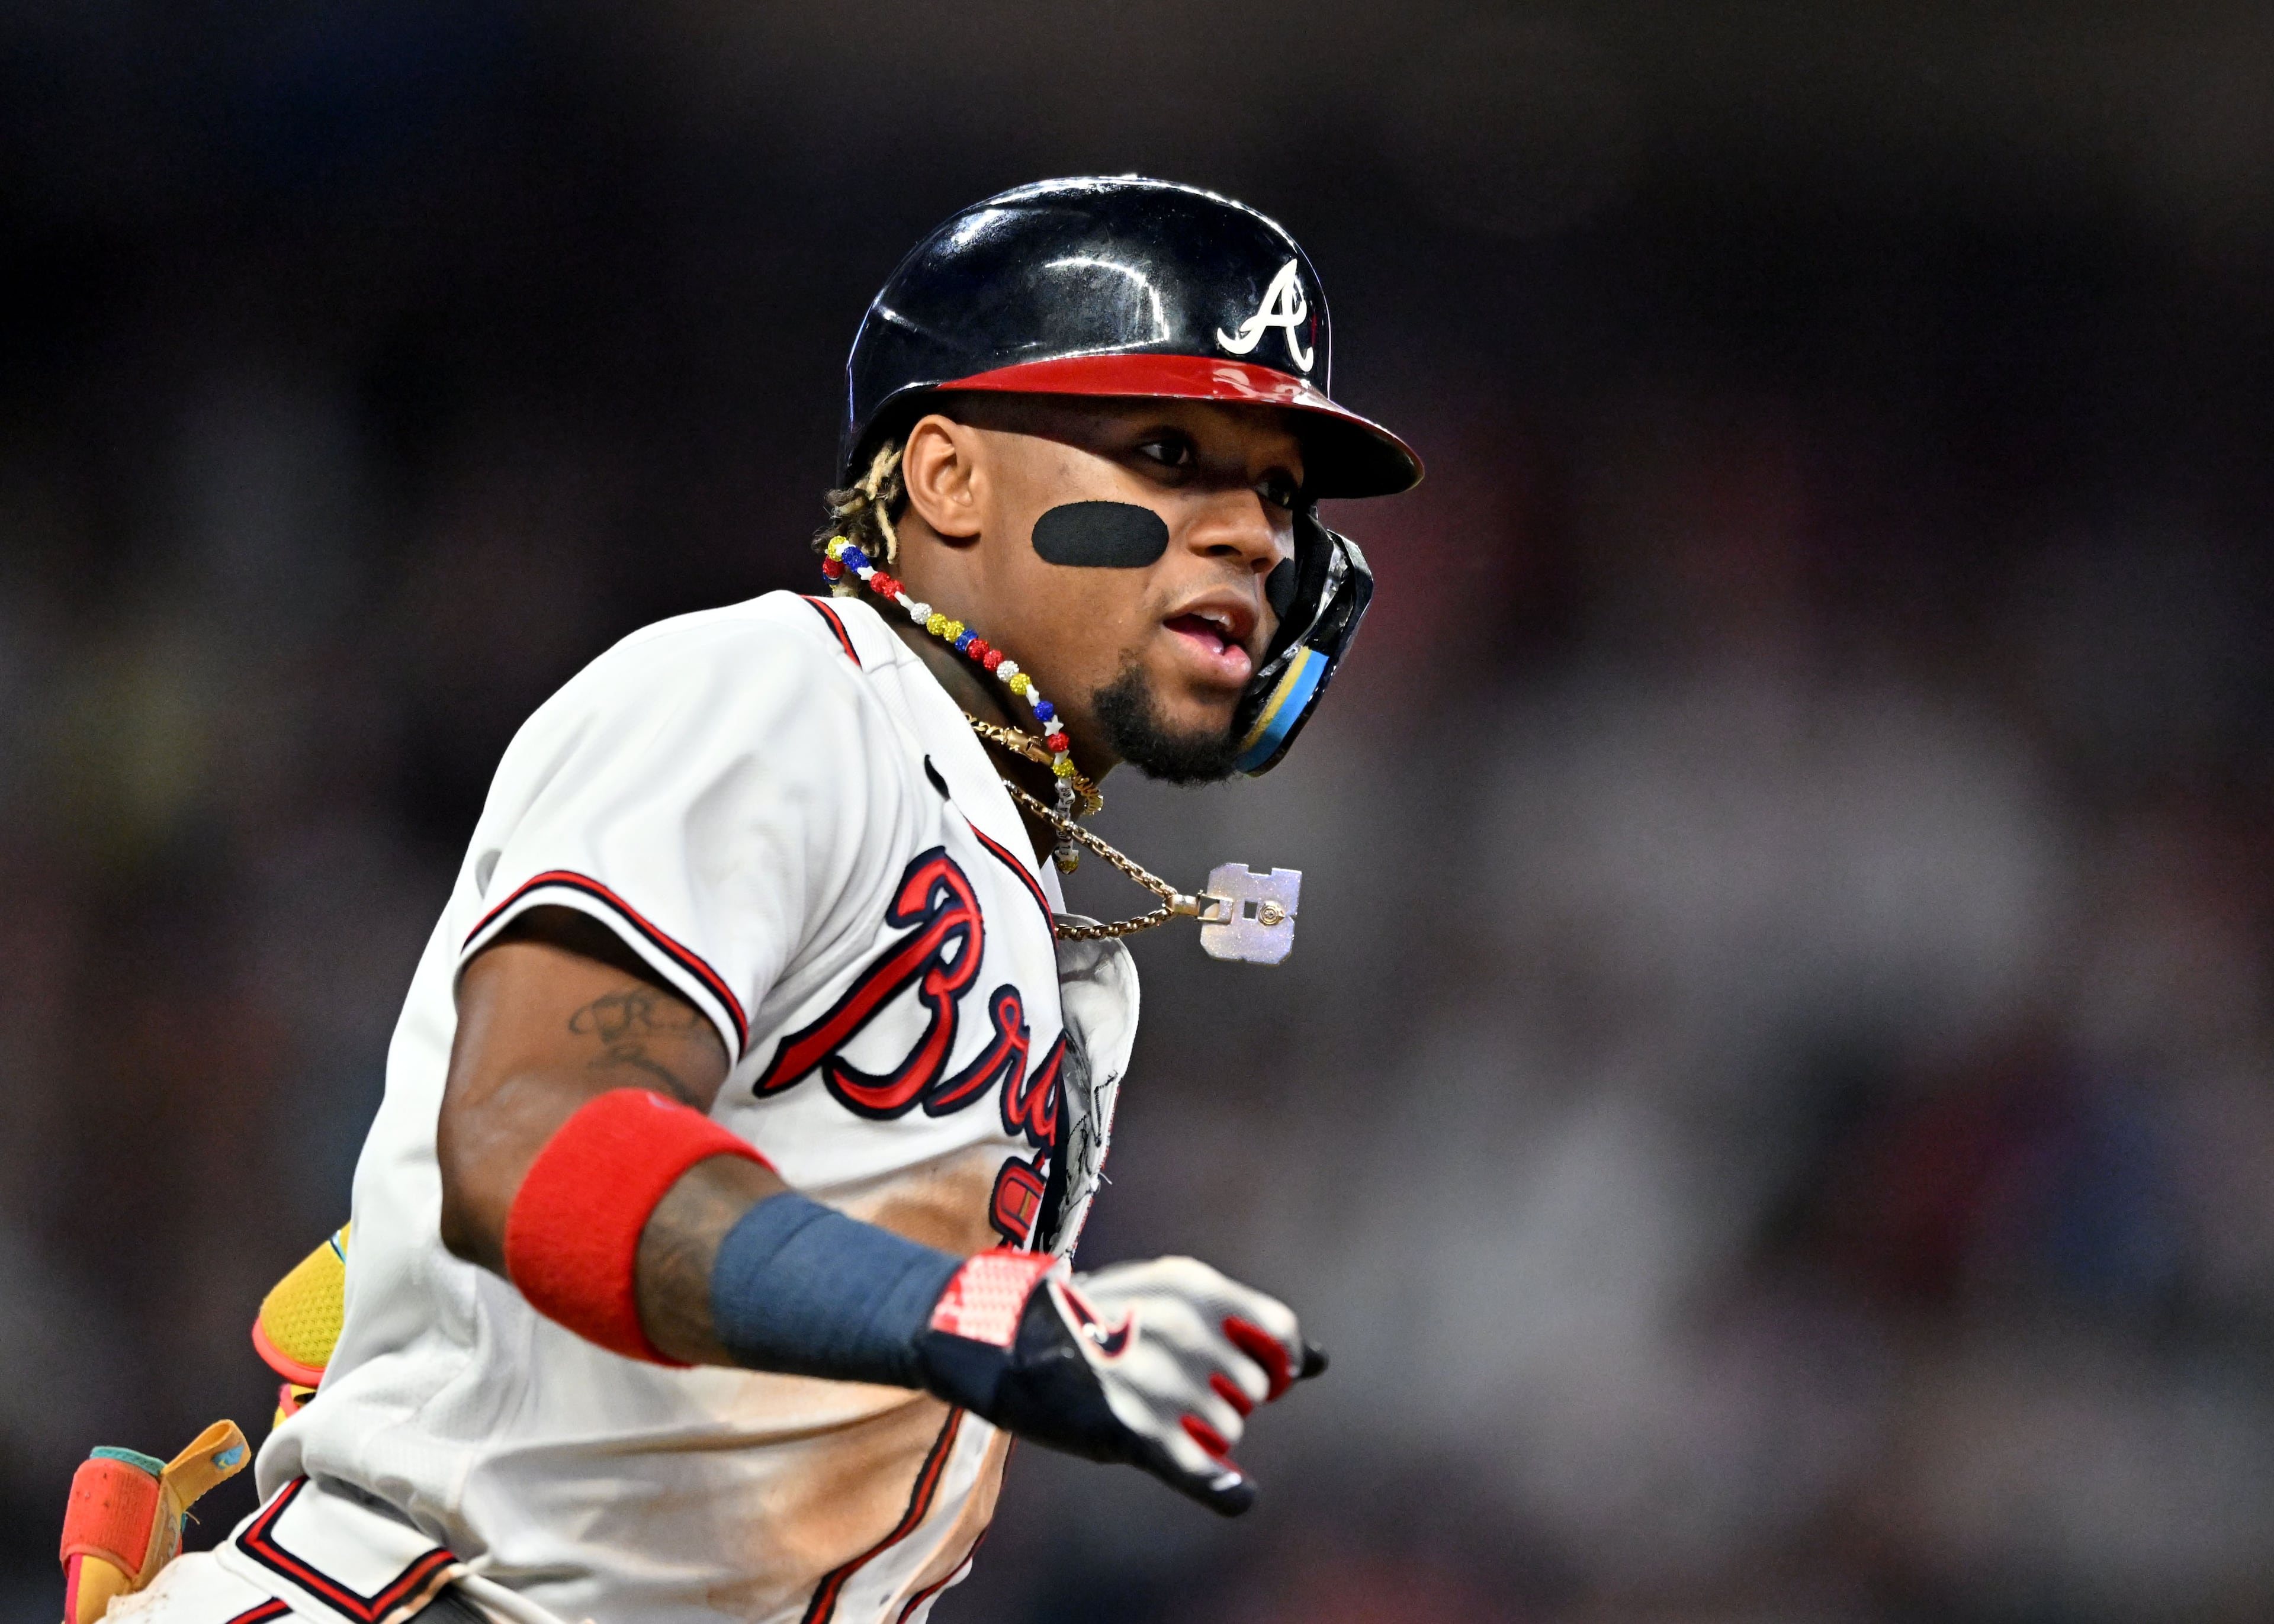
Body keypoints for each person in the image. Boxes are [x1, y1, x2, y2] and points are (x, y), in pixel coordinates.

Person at [69, 176, 1419, 1624]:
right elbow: (534, 1136)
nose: (1256, 537)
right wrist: (963, 1310)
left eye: (1280, 493)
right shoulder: (777, 690)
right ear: (948, 478)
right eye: (1168, 453)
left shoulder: (1058, 931)